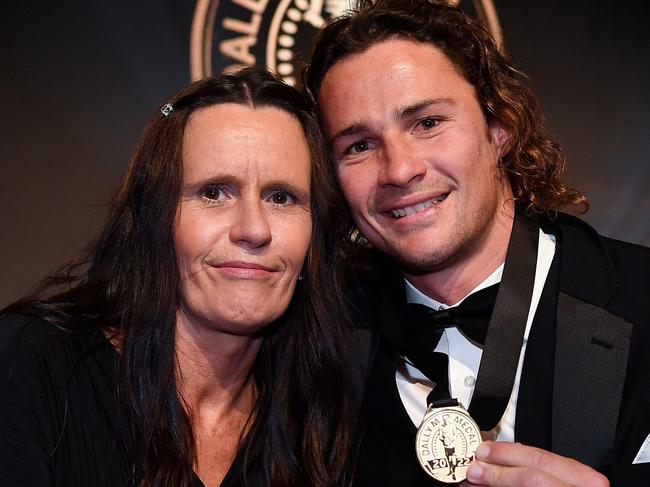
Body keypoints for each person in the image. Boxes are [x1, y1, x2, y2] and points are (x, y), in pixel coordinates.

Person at [304, 0, 650, 485]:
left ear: (499, 127)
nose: (400, 169)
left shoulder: (641, 297)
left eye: (427, 123)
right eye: (358, 145)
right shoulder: (311, 346)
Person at [0, 67, 355, 486]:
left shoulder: (320, 416)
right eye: (214, 192)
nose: (254, 229)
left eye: (281, 197)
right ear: (155, 217)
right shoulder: (31, 366)